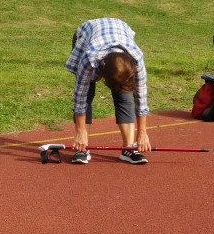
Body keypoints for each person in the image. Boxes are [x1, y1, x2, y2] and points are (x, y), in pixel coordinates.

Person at [65, 18, 152, 165]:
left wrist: (142, 133)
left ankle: (129, 148)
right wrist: (80, 132)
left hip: (120, 32)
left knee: (124, 95)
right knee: (88, 94)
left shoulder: (136, 59)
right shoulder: (89, 58)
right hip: (87, 35)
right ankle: (82, 148)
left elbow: (141, 97)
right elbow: (81, 96)